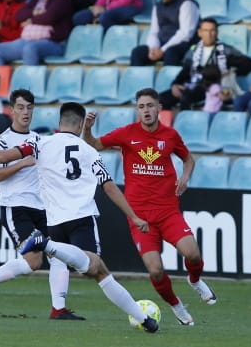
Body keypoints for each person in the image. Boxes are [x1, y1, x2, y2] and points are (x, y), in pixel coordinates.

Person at [0, 102, 159, 329]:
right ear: (81, 124)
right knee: (96, 268)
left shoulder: (40, 143)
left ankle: (143, 320)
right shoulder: (89, 151)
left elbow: (7, 154)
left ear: (59, 123)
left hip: (54, 221)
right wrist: (134, 216)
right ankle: (48, 246)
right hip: (81, 218)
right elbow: (109, 187)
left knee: (82, 266)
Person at [82, 88, 216, 324]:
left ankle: (194, 280)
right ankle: (177, 306)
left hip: (167, 211)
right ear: (137, 110)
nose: (146, 110)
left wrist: (185, 176)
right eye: (142, 106)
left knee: (193, 254)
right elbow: (92, 144)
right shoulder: (126, 134)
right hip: (140, 216)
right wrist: (87, 128)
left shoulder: (170, 135)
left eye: (150, 106)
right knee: (155, 270)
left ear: (158, 108)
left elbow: (188, 159)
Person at [0, 88, 81, 318]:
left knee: (59, 252)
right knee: (34, 261)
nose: (25, 112)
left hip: (43, 207)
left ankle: (59, 309)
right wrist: (21, 163)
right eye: (20, 107)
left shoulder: (39, 140)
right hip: (15, 207)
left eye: (29, 107)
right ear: (11, 110)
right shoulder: (2, 142)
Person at [160, 17, 233, 110]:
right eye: (206, 30)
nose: (209, 34)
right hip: (190, 85)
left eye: (212, 31)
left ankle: (185, 123)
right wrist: (175, 85)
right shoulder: (193, 50)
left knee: (186, 97)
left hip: (209, 88)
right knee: (159, 100)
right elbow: (185, 71)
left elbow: (228, 75)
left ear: (217, 32)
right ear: (200, 32)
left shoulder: (226, 51)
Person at [130, 0, 198, 68]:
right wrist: (153, 48)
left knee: (171, 53)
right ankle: (138, 81)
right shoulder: (157, 6)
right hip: (163, 44)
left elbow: (185, 34)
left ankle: (172, 81)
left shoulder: (187, 4)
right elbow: (154, 32)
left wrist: (162, 50)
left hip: (184, 44)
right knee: (138, 52)